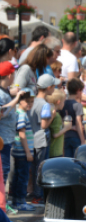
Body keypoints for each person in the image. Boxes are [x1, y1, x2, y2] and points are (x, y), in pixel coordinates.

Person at [29, 74, 60, 206]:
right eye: (54, 86)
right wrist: (52, 116)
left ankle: (33, 194)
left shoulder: (32, 101)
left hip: (31, 139)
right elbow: (44, 125)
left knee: (33, 168)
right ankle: (38, 196)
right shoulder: (45, 105)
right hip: (41, 140)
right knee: (40, 168)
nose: (55, 88)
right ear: (48, 88)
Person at [0, 62, 27, 213]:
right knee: (2, 174)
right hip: (2, 141)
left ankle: (3, 204)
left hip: (7, 139)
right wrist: (16, 99)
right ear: (10, 75)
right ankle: (1, 207)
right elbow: (1, 113)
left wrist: (12, 93)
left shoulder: (4, 92)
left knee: (4, 172)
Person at [10, 89, 35, 211]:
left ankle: (16, 200)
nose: (30, 104)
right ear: (20, 101)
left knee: (18, 176)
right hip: (22, 152)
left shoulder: (19, 113)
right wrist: (28, 152)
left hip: (19, 151)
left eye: (31, 101)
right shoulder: (21, 114)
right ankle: (20, 201)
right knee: (23, 177)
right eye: (27, 101)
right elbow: (22, 134)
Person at [59, 78, 86, 157]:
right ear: (78, 90)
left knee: (68, 161)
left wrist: (69, 128)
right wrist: (83, 141)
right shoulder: (78, 105)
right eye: (81, 91)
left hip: (65, 137)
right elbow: (78, 123)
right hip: (76, 137)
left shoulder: (63, 104)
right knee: (78, 160)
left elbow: (61, 121)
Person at [47, 89, 71, 158]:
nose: (64, 104)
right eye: (63, 102)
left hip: (52, 150)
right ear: (58, 102)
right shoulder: (56, 116)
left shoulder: (51, 111)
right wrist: (66, 128)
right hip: (55, 151)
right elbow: (55, 134)